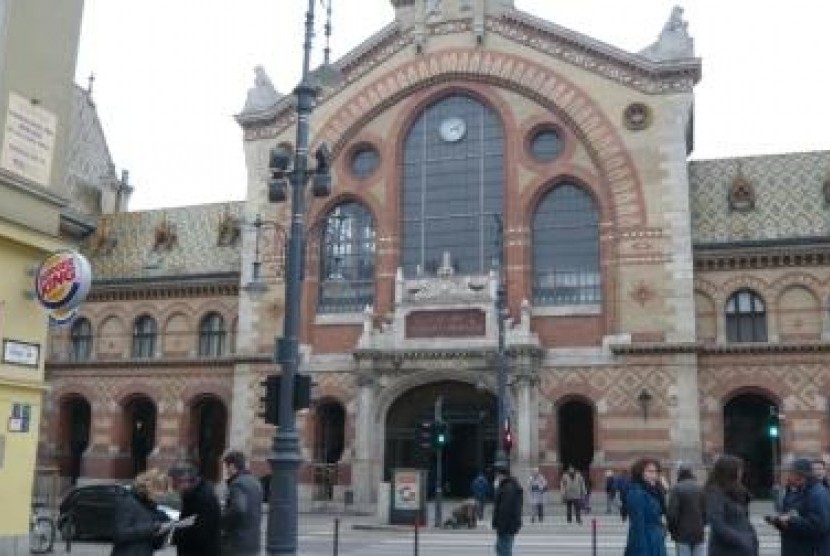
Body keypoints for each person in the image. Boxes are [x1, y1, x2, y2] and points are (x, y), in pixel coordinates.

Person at [767, 457, 830, 555]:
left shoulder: (818, 493)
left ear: (801, 475)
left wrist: (790, 520)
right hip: (794, 548)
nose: (789, 477)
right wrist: (779, 522)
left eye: (792, 473)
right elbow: (792, 515)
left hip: (808, 550)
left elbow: (820, 525)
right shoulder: (796, 491)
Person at [704, 455, 758, 556]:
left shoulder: (737, 491)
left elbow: (743, 520)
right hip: (726, 550)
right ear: (730, 471)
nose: (741, 473)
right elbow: (717, 524)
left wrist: (751, 538)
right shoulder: (715, 493)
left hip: (741, 548)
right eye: (739, 470)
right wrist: (742, 540)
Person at [111, 468, 171, 556]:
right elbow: (120, 534)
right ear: (148, 487)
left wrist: (164, 532)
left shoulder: (152, 508)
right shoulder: (128, 502)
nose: (162, 494)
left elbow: (153, 544)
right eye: (159, 489)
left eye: (164, 491)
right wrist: (153, 528)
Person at [168, 460, 222, 556]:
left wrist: (174, 535)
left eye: (175, 484)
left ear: (185, 481)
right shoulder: (191, 494)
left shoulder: (204, 498)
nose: (174, 488)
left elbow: (201, 532)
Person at [221, 450, 263, 556]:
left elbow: (238, 509)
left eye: (226, 467)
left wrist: (221, 522)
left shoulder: (237, 484)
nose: (225, 471)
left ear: (232, 466)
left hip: (237, 543)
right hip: (253, 543)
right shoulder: (255, 482)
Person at [623, 457, 667, 556]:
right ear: (640, 473)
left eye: (656, 472)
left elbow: (663, 512)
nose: (654, 475)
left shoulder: (653, 491)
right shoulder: (637, 492)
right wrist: (642, 551)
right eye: (650, 472)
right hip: (645, 543)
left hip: (656, 541)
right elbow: (638, 525)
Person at [666, 466, 705, 556]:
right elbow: (705, 512)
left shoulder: (676, 489)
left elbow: (672, 514)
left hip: (682, 533)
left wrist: (672, 530)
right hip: (699, 532)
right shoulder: (700, 488)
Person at [491, 462, 523, 556]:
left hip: (506, 526)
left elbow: (504, 510)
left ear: (501, 474)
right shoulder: (507, 486)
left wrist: (501, 527)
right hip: (508, 525)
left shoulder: (508, 488)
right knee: (500, 548)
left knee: (503, 550)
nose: (496, 476)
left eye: (496, 474)